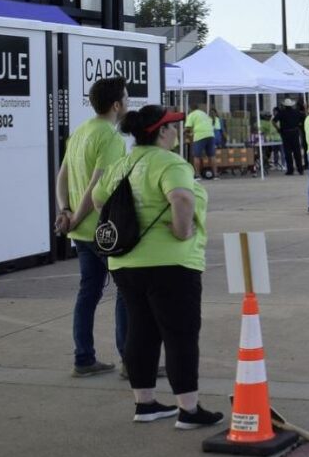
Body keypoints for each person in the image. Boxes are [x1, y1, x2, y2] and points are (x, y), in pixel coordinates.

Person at [92, 105, 223, 430]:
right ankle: (188, 409)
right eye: (173, 127)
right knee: (180, 334)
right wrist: (181, 230)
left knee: (141, 330)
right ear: (161, 131)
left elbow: (97, 200)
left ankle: (145, 403)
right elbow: (181, 197)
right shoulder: (170, 162)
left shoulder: (122, 163)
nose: (177, 132)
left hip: (126, 262)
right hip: (171, 263)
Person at [54, 76, 129, 378]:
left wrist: (66, 211)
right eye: (126, 97)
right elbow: (98, 186)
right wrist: (79, 215)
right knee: (126, 292)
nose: (129, 102)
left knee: (88, 294)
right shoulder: (110, 138)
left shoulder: (81, 131)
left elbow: (62, 175)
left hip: (80, 233)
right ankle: (131, 359)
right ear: (116, 105)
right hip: (103, 230)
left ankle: (83, 358)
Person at [185, 101, 216, 180]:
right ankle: (215, 175)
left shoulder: (192, 115)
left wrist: (182, 132)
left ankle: (198, 175)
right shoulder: (204, 113)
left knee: (196, 156)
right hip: (211, 134)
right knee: (211, 155)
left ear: (190, 109)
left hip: (200, 136)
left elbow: (188, 127)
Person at [273, 98, 305, 176]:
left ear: (284, 106)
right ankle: (300, 169)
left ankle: (290, 170)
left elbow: (273, 121)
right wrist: (299, 125)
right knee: (297, 152)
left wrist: (278, 129)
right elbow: (304, 117)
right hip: (295, 133)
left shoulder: (281, 113)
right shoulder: (296, 112)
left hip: (285, 133)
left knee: (287, 152)